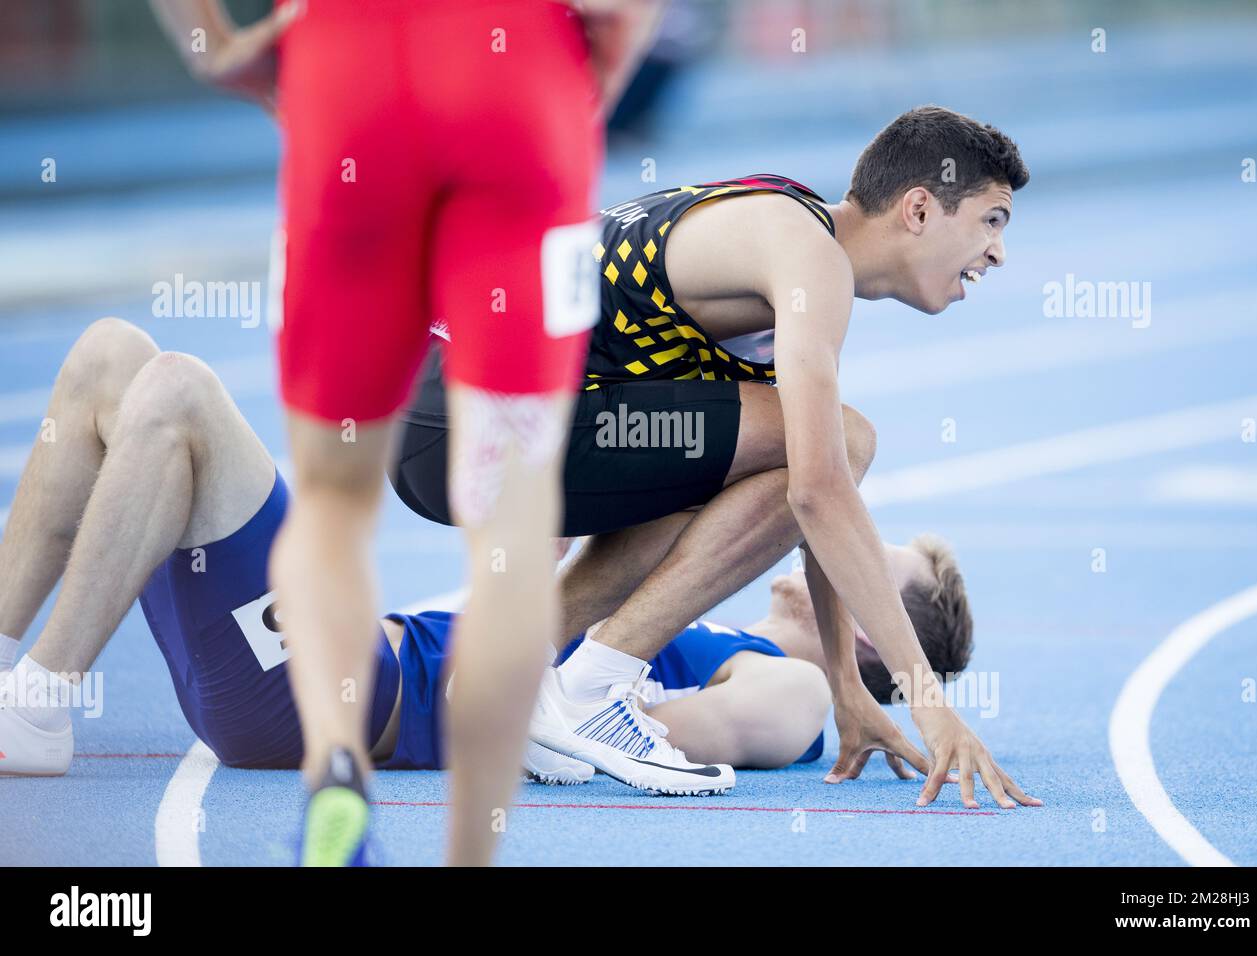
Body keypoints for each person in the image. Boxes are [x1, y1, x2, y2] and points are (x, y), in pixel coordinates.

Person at [392, 105, 1042, 809]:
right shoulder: (807, 259)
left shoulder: (786, 248)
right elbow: (821, 488)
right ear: (919, 208)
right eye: (992, 222)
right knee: (844, 441)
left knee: (796, 449)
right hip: (467, 413)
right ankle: (590, 688)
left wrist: (850, 690)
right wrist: (929, 703)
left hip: (450, 415)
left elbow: (807, 492)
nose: (997, 254)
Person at [0, 320, 969, 790]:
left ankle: (42, 698)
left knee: (175, 388)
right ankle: (15, 670)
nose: (838, 549)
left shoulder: (791, 693)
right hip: (325, 652)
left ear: (883, 645)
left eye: (871, 564)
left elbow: (596, 730)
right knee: (111, 361)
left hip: (339, 694)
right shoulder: (703, 615)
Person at [148, 0, 666, 864]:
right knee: (512, 526)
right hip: (517, 73)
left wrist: (210, 42)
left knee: (332, 504)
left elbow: (214, 41)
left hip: (346, 74)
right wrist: (608, 50)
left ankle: (338, 769)